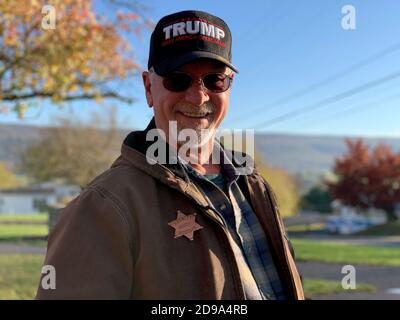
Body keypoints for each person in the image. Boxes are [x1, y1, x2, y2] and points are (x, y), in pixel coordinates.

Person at [36, 10, 304, 300]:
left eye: (215, 80)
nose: (198, 96)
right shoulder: (104, 207)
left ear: (229, 87)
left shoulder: (254, 186)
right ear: (149, 88)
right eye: (178, 79)